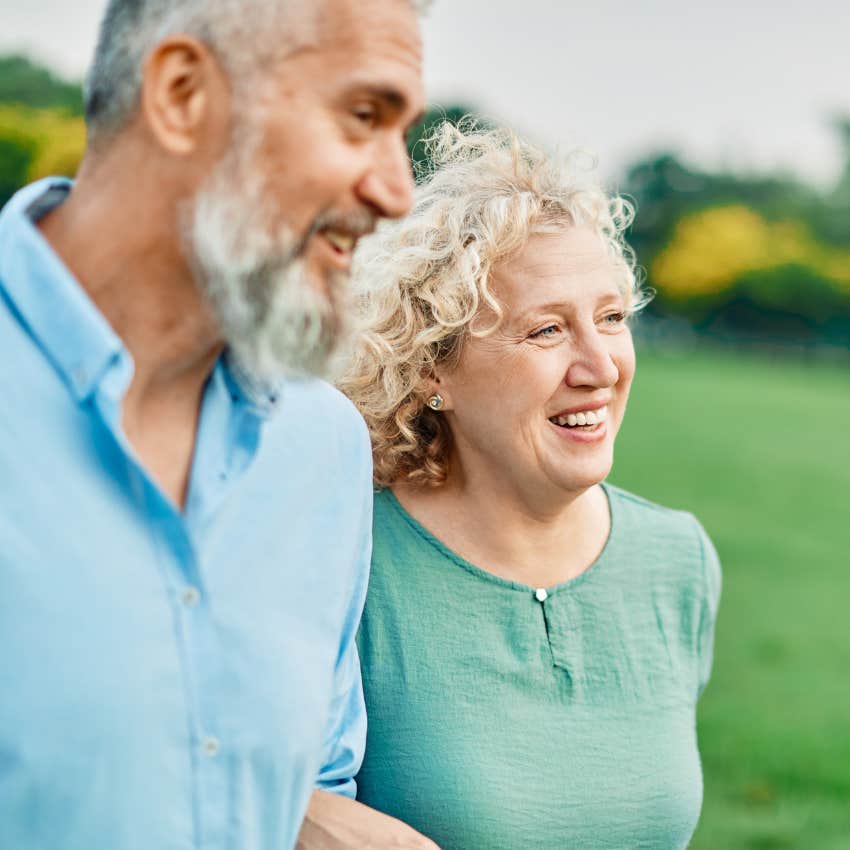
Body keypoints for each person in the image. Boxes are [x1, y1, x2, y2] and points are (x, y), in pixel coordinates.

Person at [0, 0, 436, 848]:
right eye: (361, 117)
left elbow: (307, 789)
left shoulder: (324, 448)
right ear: (183, 93)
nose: (396, 191)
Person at [338, 124, 722, 850]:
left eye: (611, 319)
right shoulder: (349, 565)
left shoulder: (680, 561)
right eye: (547, 331)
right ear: (432, 370)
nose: (600, 366)